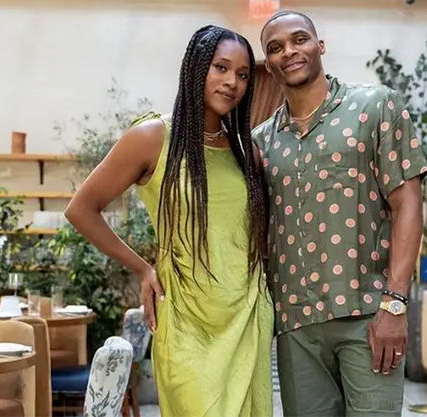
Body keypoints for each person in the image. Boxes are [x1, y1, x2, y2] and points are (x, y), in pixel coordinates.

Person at [64, 25, 274, 417]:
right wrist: (142, 268)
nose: (232, 82)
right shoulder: (153, 137)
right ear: (196, 68)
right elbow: (81, 209)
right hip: (186, 320)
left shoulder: (247, 152)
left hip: (246, 315)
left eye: (243, 74)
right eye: (221, 67)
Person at [253, 10, 427, 417]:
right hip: (296, 325)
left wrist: (395, 304)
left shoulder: (375, 107)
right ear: (269, 63)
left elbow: (407, 204)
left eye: (299, 39)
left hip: (368, 314)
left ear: (320, 46)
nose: (289, 51)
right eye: (276, 48)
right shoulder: (261, 142)